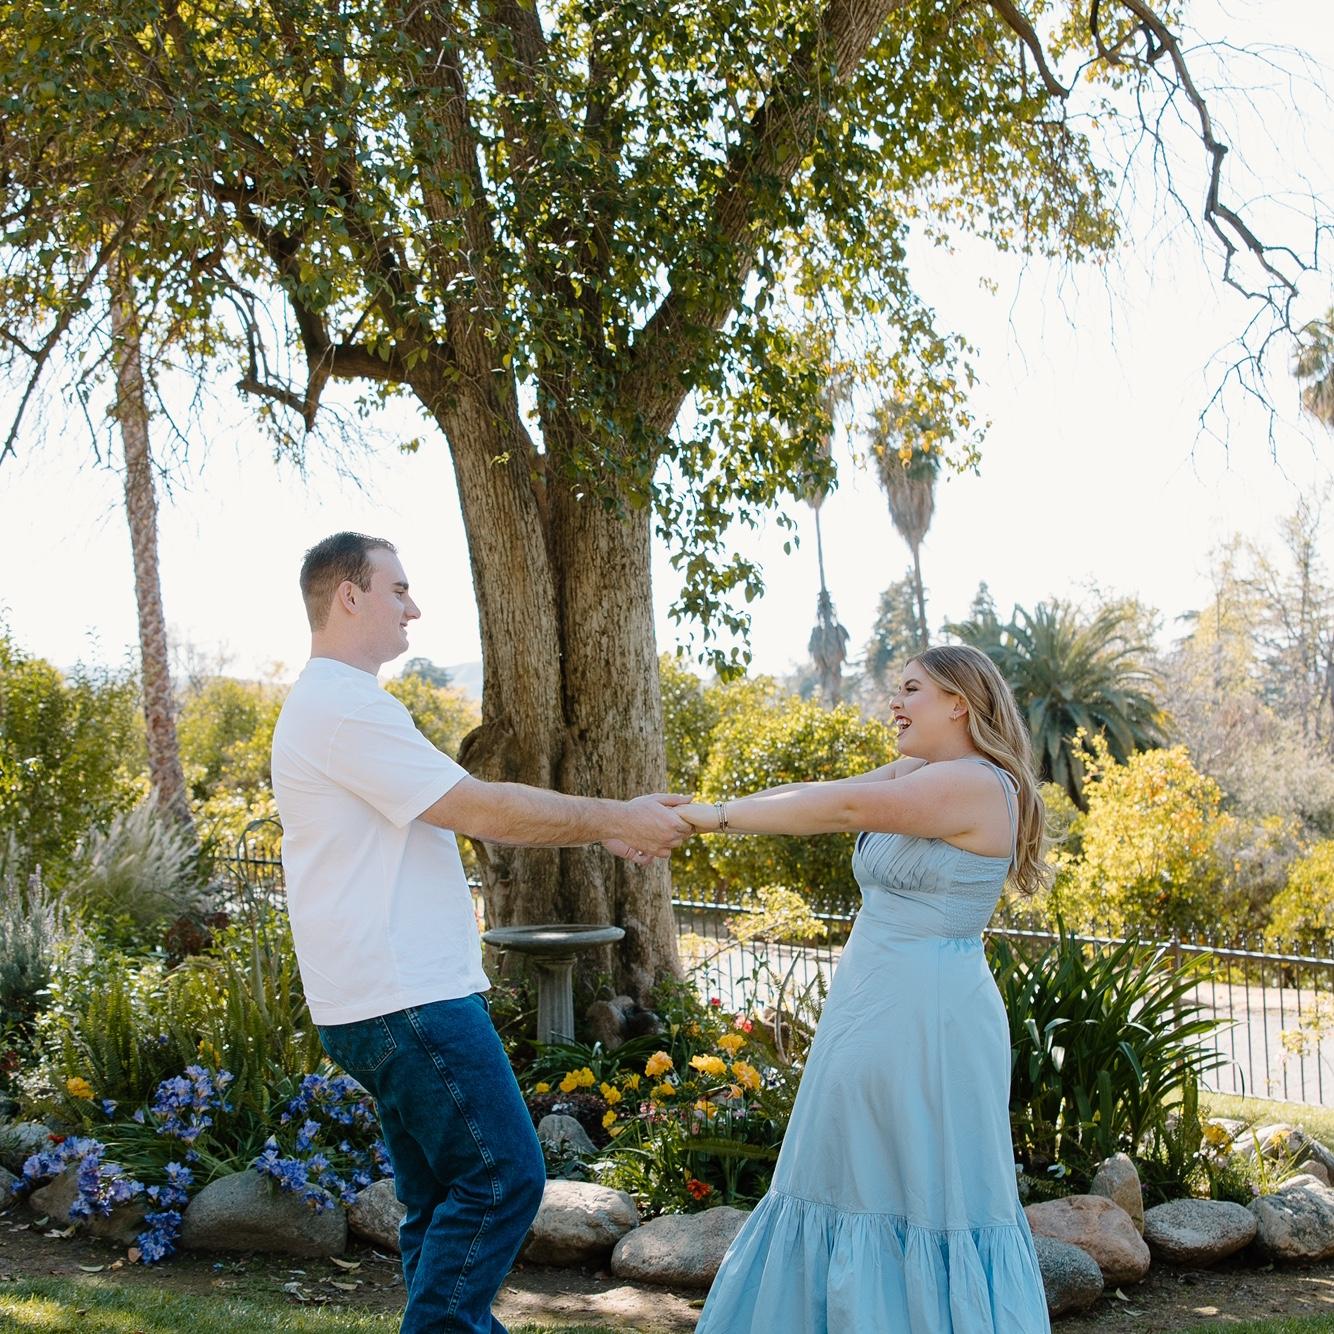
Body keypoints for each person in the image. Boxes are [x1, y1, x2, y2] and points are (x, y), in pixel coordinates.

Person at [270, 531, 692, 1334]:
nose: (413, 608)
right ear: (349, 596)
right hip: (407, 998)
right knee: (504, 1178)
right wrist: (615, 819)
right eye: (398, 589)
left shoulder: (335, 705)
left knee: (438, 1200)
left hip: (379, 998)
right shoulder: (343, 708)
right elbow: (483, 809)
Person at [683, 644, 1051, 1334]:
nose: (895, 702)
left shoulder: (976, 783)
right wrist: (697, 811)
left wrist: (713, 818)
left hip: (925, 1012)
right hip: (870, 1000)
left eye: (911, 689)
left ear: (958, 703)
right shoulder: (923, 772)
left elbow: (847, 806)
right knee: (844, 1174)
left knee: (916, 1185)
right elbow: (818, 793)